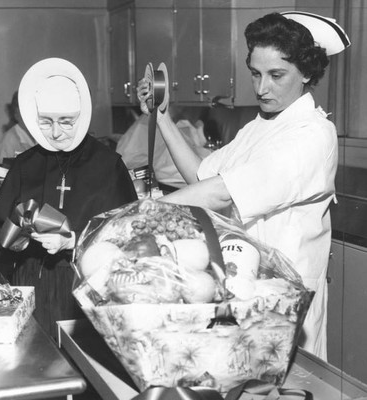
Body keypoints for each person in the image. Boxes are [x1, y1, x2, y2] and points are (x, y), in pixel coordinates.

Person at [137, 11, 350, 360]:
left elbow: (221, 193)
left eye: (276, 75)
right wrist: (161, 116)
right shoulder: (259, 125)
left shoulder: (312, 134)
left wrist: (143, 215)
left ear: (307, 73)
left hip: (282, 300)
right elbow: (202, 178)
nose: (261, 87)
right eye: (255, 73)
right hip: (242, 287)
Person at [0, 58, 138, 339]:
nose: (55, 133)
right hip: (31, 285)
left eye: (66, 122)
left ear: (82, 116)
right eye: (46, 122)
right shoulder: (24, 166)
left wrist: (73, 241)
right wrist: (17, 239)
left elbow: (128, 239)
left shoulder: (109, 166)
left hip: (87, 287)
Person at [0, 91, 37, 165]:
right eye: (25, 110)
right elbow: (1, 171)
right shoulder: (9, 139)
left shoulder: (39, 136)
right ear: (16, 114)